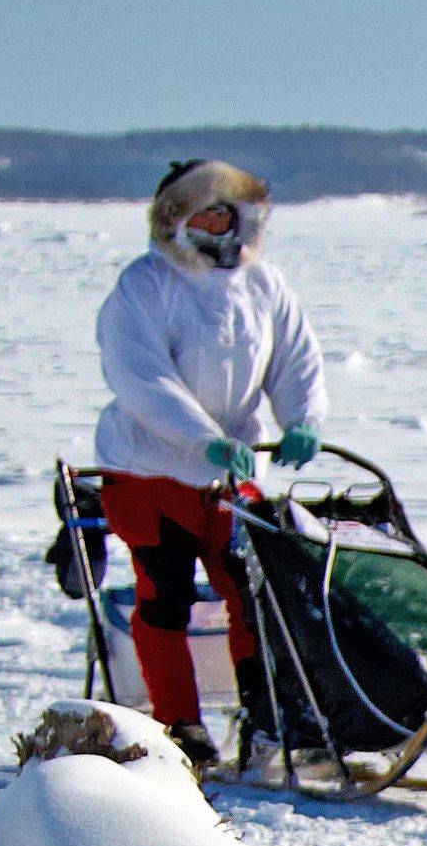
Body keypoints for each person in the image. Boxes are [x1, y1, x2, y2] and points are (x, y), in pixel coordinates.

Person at [90, 159, 328, 766]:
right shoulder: (144, 285)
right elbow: (142, 379)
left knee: (253, 593)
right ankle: (178, 726)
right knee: (165, 594)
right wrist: (202, 439)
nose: (217, 223)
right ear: (178, 219)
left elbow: (295, 356)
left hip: (234, 477)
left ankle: (266, 718)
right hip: (151, 470)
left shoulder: (264, 284)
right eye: (204, 211)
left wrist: (301, 417)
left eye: (226, 211)